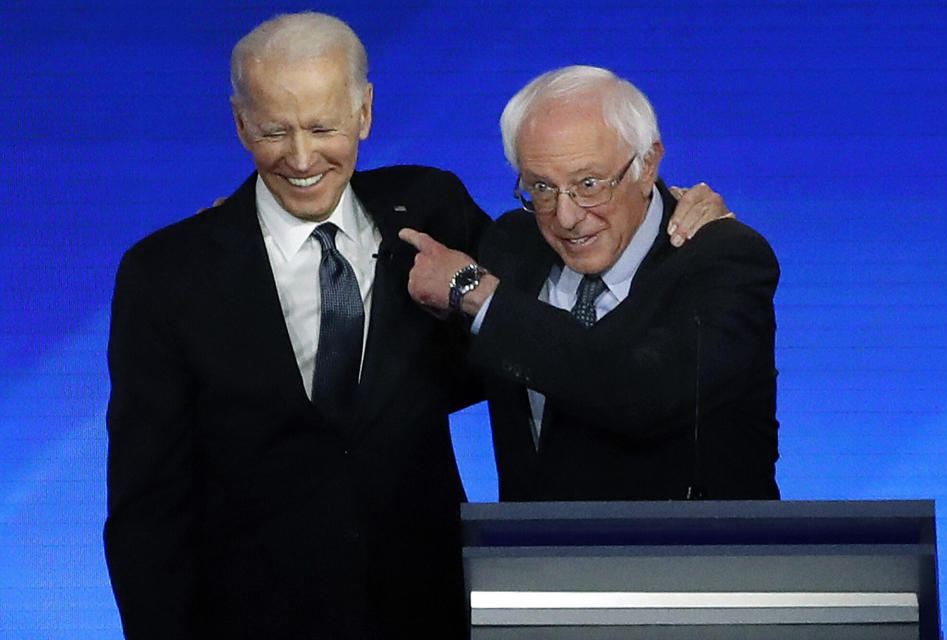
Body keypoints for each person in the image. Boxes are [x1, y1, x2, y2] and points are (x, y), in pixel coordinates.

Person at [105, 12, 728, 638]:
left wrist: (672, 207)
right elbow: (146, 508)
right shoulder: (166, 274)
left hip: (427, 610)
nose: (300, 157)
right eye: (274, 131)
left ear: (364, 114)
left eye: (323, 127)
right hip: (255, 617)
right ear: (241, 124)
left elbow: (567, 270)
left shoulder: (432, 208)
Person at [402, 65, 780, 503]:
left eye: (589, 184)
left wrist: (478, 293)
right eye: (541, 187)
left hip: (689, 562)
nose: (567, 217)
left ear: (647, 163)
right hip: (531, 562)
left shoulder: (723, 260)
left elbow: (639, 393)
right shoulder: (510, 246)